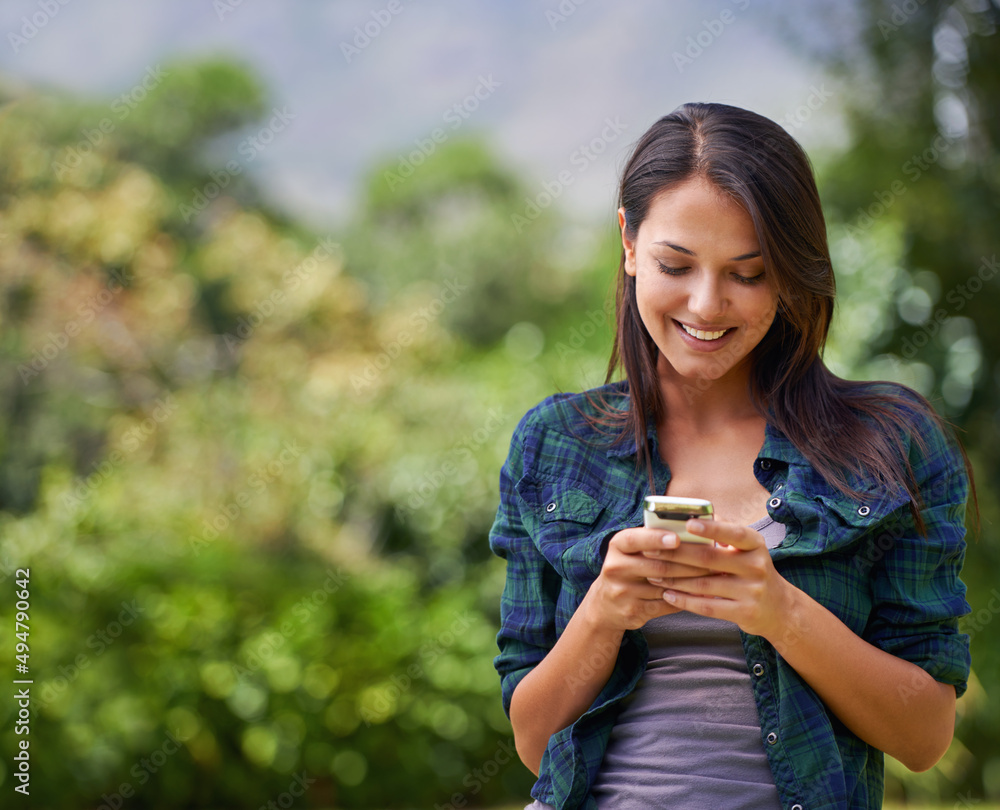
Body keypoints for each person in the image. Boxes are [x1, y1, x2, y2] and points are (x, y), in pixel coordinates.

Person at [488, 102, 974, 810]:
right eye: (675, 265)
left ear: (790, 272)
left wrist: (779, 610)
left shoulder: (890, 443)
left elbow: (923, 735)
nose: (707, 305)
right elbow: (533, 740)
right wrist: (603, 610)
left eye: (748, 274)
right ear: (628, 244)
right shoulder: (555, 445)